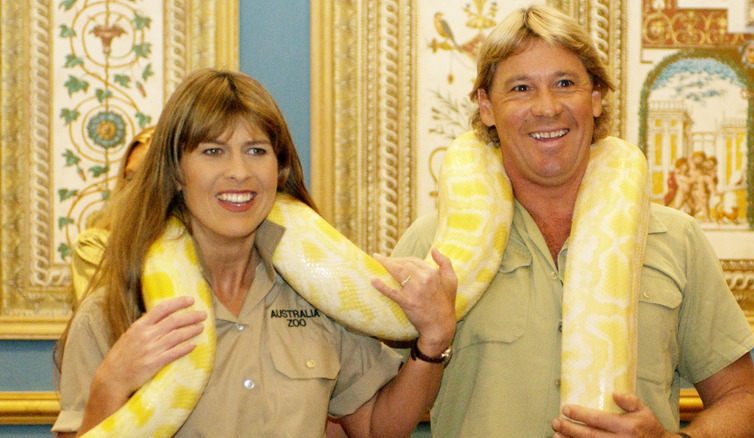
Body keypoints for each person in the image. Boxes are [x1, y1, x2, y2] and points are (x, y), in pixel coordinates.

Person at [392, 5, 754, 437]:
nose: (547, 108)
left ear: (595, 99)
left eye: (565, 84)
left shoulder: (677, 239)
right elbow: (364, 411)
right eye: (520, 88)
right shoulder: (434, 246)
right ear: (486, 106)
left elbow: (744, 405)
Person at [52, 69, 457, 437]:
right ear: (176, 171)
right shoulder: (113, 311)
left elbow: (374, 428)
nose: (240, 172)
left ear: (278, 169)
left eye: (257, 150)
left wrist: (434, 341)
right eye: (213, 151)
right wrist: (110, 385)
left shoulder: (322, 294)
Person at [70, 126, 155, 301]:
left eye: (151, 177)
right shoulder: (96, 247)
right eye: (130, 178)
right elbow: (106, 324)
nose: (137, 189)